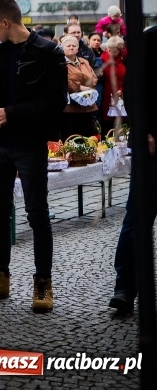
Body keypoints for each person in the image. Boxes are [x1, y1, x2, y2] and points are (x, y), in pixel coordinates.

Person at [0, 0, 66, 313]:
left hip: (31, 143)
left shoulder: (49, 52)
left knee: (37, 214)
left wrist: (10, 113)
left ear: (6, 22)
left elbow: (56, 101)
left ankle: (43, 284)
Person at [109, 25, 157, 314]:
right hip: (152, 147)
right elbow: (133, 90)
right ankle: (125, 287)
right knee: (137, 217)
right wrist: (144, 130)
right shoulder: (150, 40)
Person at [60, 35, 97, 140]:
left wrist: (89, 87)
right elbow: (63, 81)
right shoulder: (60, 63)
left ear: (77, 48)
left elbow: (93, 77)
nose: (71, 48)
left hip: (87, 105)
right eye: (68, 46)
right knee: (72, 137)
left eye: (74, 46)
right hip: (70, 108)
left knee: (90, 136)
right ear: (62, 48)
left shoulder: (84, 61)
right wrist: (80, 87)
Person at [99, 35, 126, 134]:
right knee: (107, 120)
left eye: (115, 52)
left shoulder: (125, 60)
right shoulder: (102, 59)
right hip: (107, 92)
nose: (111, 53)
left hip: (122, 91)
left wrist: (122, 90)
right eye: (109, 50)